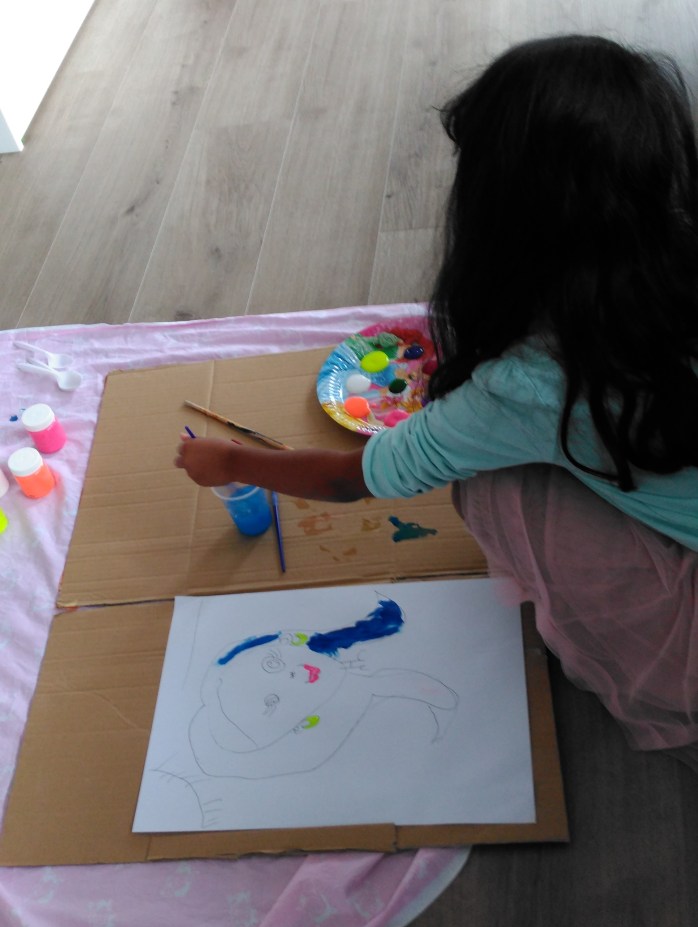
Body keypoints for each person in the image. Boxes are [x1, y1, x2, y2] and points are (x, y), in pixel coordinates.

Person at [175, 35, 698, 767]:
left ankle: (665, 682)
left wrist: (230, 461)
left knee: (495, 485)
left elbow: (353, 478)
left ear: (499, 217)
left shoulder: (532, 383)